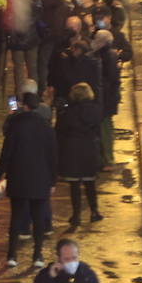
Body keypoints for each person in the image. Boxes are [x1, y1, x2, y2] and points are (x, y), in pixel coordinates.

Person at [0, 91, 58, 268]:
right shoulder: (47, 128)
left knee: (16, 217)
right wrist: (53, 180)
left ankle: (12, 255)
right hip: (41, 179)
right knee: (38, 219)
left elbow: (6, 153)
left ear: (24, 105)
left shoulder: (15, 126)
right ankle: (37, 255)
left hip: (18, 177)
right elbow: (53, 157)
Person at [56, 82, 104, 226]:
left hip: (72, 151)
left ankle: (76, 215)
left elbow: (60, 131)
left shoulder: (69, 112)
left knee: (74, 186)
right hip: (89, 149)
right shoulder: (95, 111)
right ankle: (94, 211)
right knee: (90, 183)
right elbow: (98, 132)